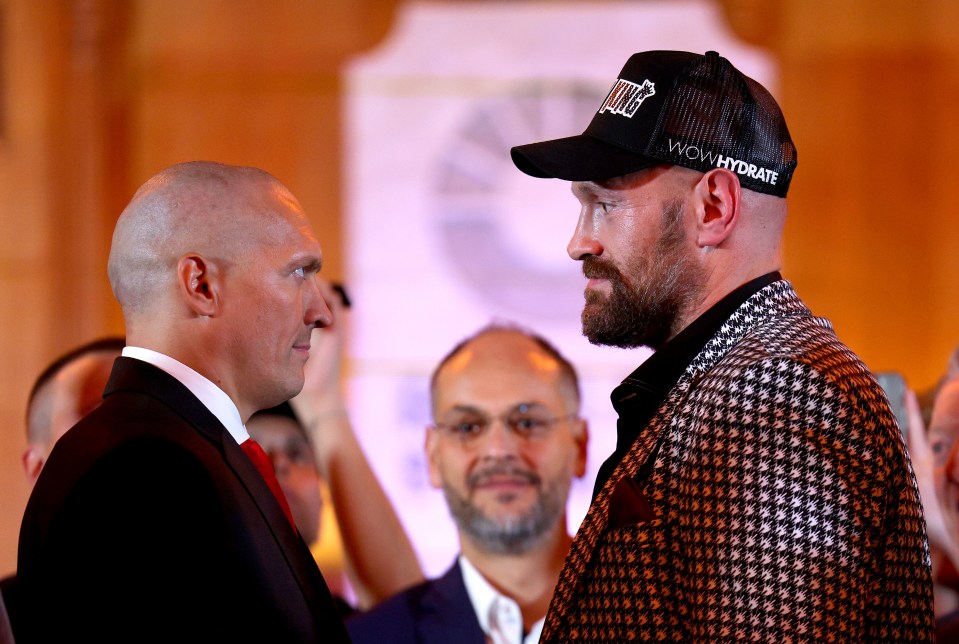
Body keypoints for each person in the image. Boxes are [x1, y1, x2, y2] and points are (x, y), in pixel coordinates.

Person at [510, 50, 933, 640]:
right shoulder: (735, 380)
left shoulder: (780, 398)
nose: (578, 243)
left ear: (714, 206)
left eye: (604, 205)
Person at [16, 161, 350, 642]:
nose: (319, 311)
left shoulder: (186, 451)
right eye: (299, 272)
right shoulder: (142, 470)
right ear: (201, 285)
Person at [347, 324, 588, 644]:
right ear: (432, 457)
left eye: (528, 422)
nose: (499, 450)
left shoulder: (664, 613)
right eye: (468, 427)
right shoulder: (368, 640)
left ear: (580, 446)